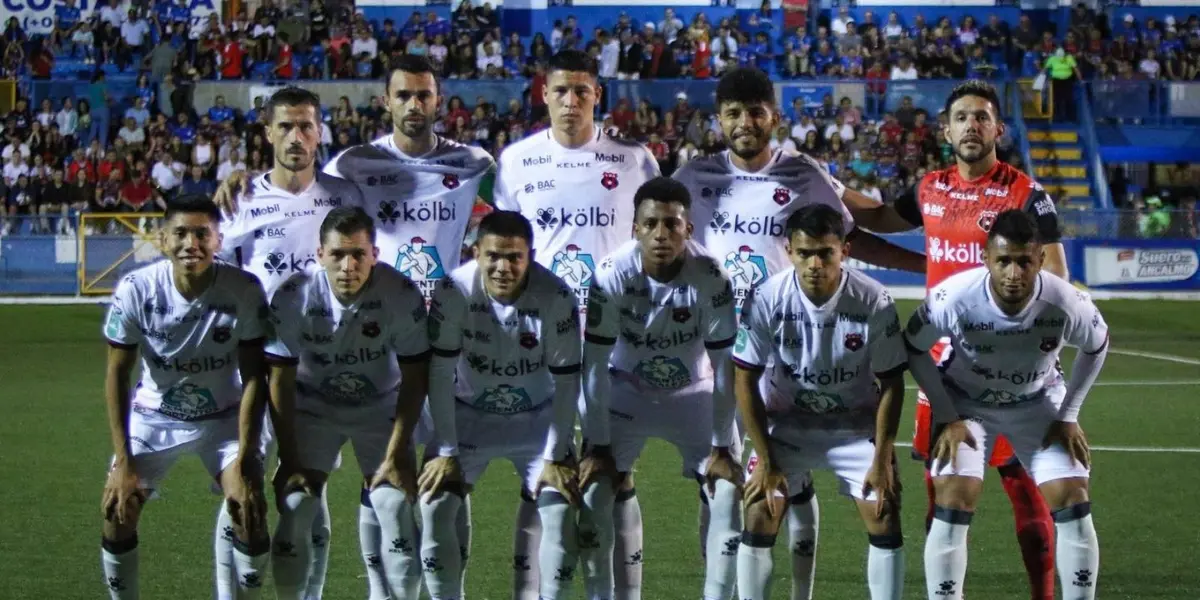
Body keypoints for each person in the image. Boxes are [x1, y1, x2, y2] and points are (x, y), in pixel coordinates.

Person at [215, 55, 494, 600]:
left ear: (440, 101)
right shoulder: (351, 170)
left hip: (422, 343)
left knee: (432, 485)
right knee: (260, 484)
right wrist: (237, 174)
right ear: (385, 101)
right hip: (288, 356)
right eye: (403, 95)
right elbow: (285, 193)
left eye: (425, 95)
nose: (415, 105)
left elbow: (526, 199)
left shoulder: (475, 161)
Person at [672, 66, 924, 600]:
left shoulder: (806, 174)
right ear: (718, 119)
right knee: (722, 490)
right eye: (734, 114)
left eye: (756, 112)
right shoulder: (693, 179)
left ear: (774, 117)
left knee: (790, 491)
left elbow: (854, 237)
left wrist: (931, 265)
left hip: (793, 357)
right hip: (719, 356)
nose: (745, 123)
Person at [839, 80, 1067, 600]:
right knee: (941, 498)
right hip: (941, 370)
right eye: (961, 117)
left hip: (1007, 367)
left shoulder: (1027, 194)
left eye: (982, 117)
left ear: (998, 130)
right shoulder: (929, 190)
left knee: (1026, 494)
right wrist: (828, 188)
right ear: (945, 130)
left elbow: (1054, 281)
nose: (971, 125)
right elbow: (875, 217)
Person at [492, 48, 660, 600]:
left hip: (616, 343)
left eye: (581, 90)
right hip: (539, 342)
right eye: (560, 90)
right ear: (544, 94)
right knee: (543, 470)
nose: (571, 101)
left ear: (597, 95)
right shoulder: (516, 161)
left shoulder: (635, 160)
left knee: (612, 470)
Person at [904, 209, 1108, 600]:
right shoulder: (955, 297)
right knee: (953, 496)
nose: (1013, 274)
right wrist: (947, 415)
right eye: (1004, 262)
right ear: (986, 259)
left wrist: (1069, 415)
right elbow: (913, 347)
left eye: (1024, 262)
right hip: (968, 406)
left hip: (1036, 403)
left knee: (1074, 498)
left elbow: (1097, 345)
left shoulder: (1065, 301)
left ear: (1041, 260)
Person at [732, 204, 908, 600]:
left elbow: (892, 383)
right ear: (789, 250)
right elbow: (745, 378)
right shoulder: (767, 297)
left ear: (844, 251)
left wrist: (882, 460)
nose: (815, 263)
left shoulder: (873, 299)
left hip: (855, 425)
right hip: (787, 423)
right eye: (805, 252)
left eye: (825, 253)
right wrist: (766, 459)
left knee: (884, 508)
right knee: (760, 508)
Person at [99, 194, 271, 600]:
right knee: (116, 508)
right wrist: (123, 462)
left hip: (224, 418)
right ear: (162, 239)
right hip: (154, 417)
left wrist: (246, 455)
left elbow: (254, 377)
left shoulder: (244, 289)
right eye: (180, 233)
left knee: (249, 507)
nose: (190, 243)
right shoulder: (137, 288)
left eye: (202, 233)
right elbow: (117, 374)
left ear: (218, 239)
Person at [579, 177, 741, 600]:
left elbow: (725, 365)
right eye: (650, 224)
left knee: (726, 491)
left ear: (689, 229)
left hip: (694, 393)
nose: (661, 234)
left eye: (672, 224)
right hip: (626, 389)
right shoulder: (611, 274)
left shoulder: (712, 276)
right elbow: (593, 364)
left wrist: (723, 445)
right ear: (634, 227)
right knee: (596, 490)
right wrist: (596, 444)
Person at [265, 207, 432, 599]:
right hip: (313, 408)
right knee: (296, 506)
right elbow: (280, 379)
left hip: (379, 409)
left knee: (394, 507)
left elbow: (415, 378)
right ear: (320, 254)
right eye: (338, 254)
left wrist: (396, 454)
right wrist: (288, 456)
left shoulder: (400, 294)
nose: (348, 265)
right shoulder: (294, 294)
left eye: (358, 254)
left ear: (375, 254)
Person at [422, 210, 582, 600]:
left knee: (561, 513)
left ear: (531, 255)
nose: (503, 267)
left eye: (515, 257)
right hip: (470, 417)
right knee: (434, 506)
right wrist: (444, 450)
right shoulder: (453, 290)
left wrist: (557, 453)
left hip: (538, 419)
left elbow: (567, 383)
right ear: (476, 253)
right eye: (493, 256)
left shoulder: (557, 295)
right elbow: (440, 373)